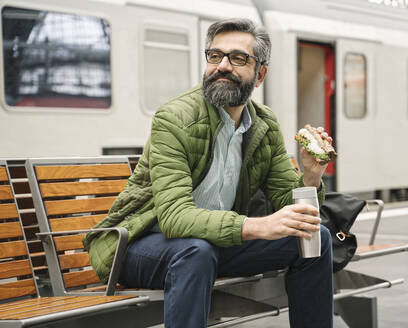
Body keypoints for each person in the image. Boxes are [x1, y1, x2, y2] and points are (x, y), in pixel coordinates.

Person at [83, 18, 333, 328]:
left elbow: (286, 201)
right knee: (194, 252)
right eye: (215, 56)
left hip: (213, 243)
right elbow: (174, 218)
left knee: (313, 237)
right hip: (139, 245)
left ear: (260, 74)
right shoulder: (175, 119)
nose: (223, 66)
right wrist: (256, 226)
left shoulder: (264, 124)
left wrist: (310, 176)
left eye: (238, 58)